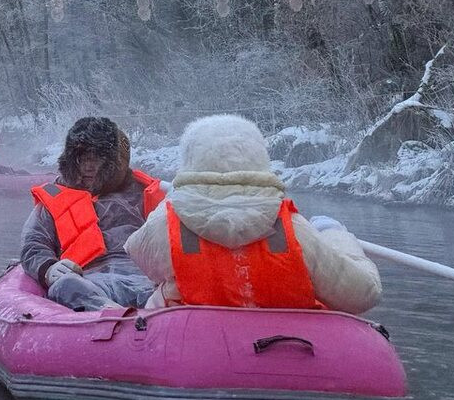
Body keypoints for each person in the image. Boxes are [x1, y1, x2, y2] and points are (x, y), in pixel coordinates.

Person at [125, 114, 381, 313]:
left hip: (189, 342)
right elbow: (363, 293)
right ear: (261, 158)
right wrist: (335, 235)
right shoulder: (294, 228)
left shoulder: (166, 222)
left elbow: (137, 251)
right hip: (284, 344)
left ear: (189, 159)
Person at [20, 116, 164, 311]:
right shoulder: (55, 199)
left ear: (114, 162)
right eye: (82, 159)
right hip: (90, 281)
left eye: (97, 159)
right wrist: (48, 268)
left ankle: (144, 317)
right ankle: (112, 315)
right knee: (64, 286)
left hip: (146, 281)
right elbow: (34, 243)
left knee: (179, 290)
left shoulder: (146, 194)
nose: (88, 166)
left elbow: (174, 239)